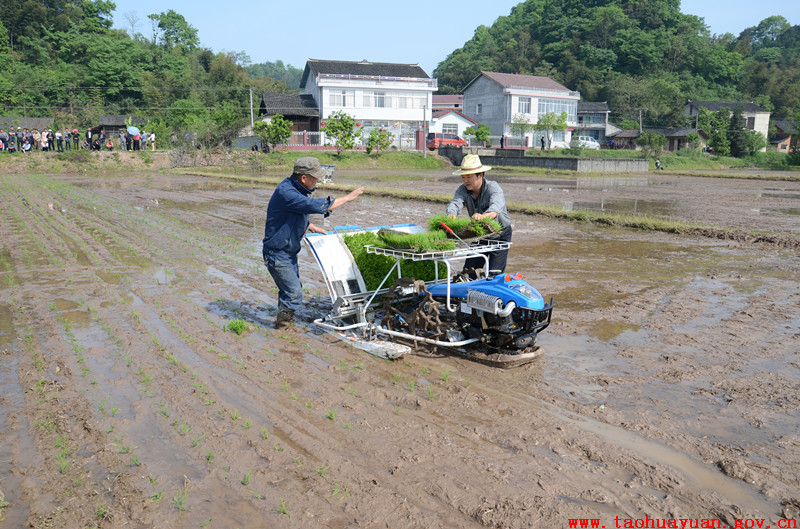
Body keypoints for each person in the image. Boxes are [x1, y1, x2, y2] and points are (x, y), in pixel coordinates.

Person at [262, 157, 365, 329]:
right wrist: (347, 198)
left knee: (289, 289)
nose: (317, 180)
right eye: (315, 177)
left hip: (287, 251)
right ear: (304, 178)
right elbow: (315, 205)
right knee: (294, 293)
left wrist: (310, 226)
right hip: (277, 253)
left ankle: (283, 319)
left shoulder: (295, 190)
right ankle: (282, 327)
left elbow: (293, 214)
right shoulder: (287, 192)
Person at [445, 154, 512, 276]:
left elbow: (495, 208)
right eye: (463, 177)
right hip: (480, 234)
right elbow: (455, 203)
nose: (466, 180)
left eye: (469, 177)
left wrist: (483, 216)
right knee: (468, 273)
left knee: (494, 275)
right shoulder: (462, 190)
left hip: (500, 234)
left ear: (480, 175)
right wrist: (451, 215)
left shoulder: (493, 188)